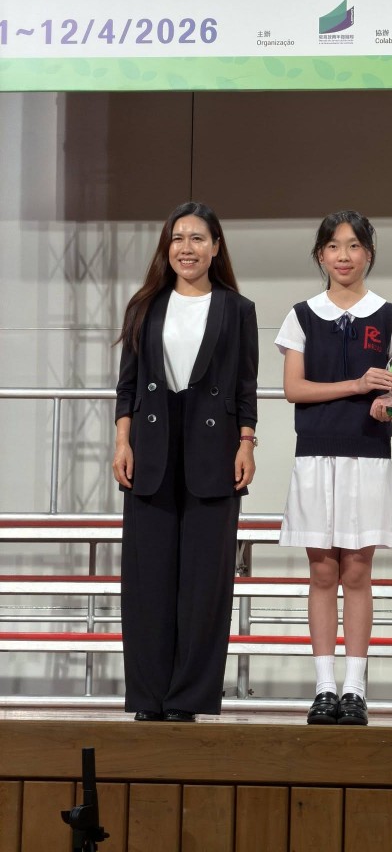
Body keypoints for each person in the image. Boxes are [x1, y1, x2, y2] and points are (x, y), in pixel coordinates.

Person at [113, 202, 258, 723]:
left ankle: (189, 699)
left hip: (213, 449)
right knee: (147, 577)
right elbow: (127, 385)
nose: (186, 248)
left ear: (216, 247)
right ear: (167, 247)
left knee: (205, 581)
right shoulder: (145, 306)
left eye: (198, 238)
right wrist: (122, 440)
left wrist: (246, 443)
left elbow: (245, 386)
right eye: (178, 238)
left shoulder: (237, 309)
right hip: (151, 447)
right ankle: (149, 697)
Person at [276, 211, 392, 726]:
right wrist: (356, 385)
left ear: (368, 254)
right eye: (334, 246)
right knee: (322, 572)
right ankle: (324, 687)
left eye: (354, 246)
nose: (344, 256)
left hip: (367, 454)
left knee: (357, 571)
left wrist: (390, 400)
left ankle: (355, 688)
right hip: (315, 454)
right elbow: (294, 389)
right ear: (320, 255)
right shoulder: (301, 315)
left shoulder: (390, 315)